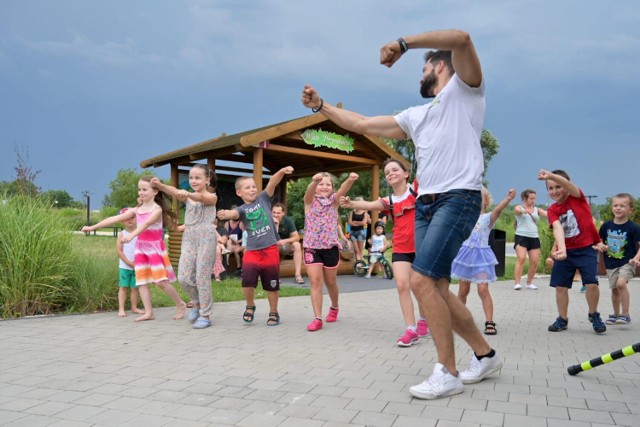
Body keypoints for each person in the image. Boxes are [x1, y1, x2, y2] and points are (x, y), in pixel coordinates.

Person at [302, 29, 502, 399]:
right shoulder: (416, 116)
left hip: (458, 198)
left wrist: (403, 44)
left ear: (438, 66)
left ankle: (448, 372)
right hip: (426, 204)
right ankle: (485, 355)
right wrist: (321, 107)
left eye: (423, 68)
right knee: (437, 287)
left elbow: (462, 38)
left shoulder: (466, 90)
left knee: (420, 281)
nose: (419, 75)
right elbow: (361, 124)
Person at [340, 158, 428, 347]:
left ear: (406, 174)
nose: (391, 174)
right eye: (387, 172)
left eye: (395, 170)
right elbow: (370, 205)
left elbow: (426, 162)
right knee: (402, 285)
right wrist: (350, 203)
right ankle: (410, 329)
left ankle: (424, 319)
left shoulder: (416, 190)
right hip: (401, 248)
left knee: (419, 286)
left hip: (422, 246)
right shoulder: (389, 201)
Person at [82, 175, 186, 322]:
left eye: (145, 189)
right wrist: (92, 227)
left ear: (155, 192)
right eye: (139, 189)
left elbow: (145, 224)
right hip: (141, 249)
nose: (141, 193)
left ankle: (180, 304)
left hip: (154, 248)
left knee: (161, 282)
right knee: (142, 281)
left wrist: (132, 236)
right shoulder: (137, 210)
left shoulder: (156, 210)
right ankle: (149, 312)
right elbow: (113, 219)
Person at [217, 166, 294, 326]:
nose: (252, 189)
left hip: (270, 249)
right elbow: (234, 215)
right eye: (248, 187)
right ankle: (250, 306)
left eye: (253, 186)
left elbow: (272, 182)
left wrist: (281, 171)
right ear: (239, 193)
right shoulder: (242, 209)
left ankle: (274, 312)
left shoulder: (263, 198)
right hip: (252, 252)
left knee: (272, 285)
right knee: (247, 281)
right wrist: (226, 213)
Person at [538, 169, 606, 334]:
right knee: (560, 287)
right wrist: (561, 248)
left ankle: (593, 314)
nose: (554, 191)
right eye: (550, 188)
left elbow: (568, 185)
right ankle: (562, 319)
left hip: (585, 250)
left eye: (558, 186)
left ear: (566, 186)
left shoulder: (577, 197)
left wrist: (551, 176)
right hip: (566, 252)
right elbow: (557, 227)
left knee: (591, 283)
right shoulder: (553, 210)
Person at [151, 165, 218, 329]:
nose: (193, 181)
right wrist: (160, 186)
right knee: (184, 276)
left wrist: (187, 193)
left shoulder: (212, 196)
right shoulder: (187, 196)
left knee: (202, 277)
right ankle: (196, 303)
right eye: (191, 178)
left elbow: (202, 199)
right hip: (189, 236)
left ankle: (205, 315)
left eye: (198, 178)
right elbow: (174, 191)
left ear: (207, 179)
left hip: (206, 237)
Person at [453, 188, 516, 335]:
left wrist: (508, 198)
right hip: (466, 258)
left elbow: (498, 210)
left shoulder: (488, 218)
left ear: (485, 201)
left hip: (481, 259)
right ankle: (458, 319)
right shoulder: (464, 217)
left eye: (479, 198)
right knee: (463, 291)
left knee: (483, 290)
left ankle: (489, 321)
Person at [303, 172, 359, 332]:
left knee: (331, 282)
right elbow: (308, 192)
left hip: (330, 248)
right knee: (315, 281)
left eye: (328, 184)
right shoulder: (309, 201)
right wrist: (314, 181)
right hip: (312, 247)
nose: (324, 187)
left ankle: (334, 307)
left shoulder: (334, 203)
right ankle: (317, 318)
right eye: (321, 184)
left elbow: (342, 190)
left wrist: (350, 180)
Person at [597, 193, 640, 325]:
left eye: (622, 206)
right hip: (611, 262)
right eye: (616, 205)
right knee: (615, 289)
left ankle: (625, 314)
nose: (618, 208)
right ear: (612, 208)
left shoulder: (633, 228)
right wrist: (600, 246)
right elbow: (598, 241)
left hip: (628, 261)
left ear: (630, 210)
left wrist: (636, 259)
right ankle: (615, 314)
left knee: (621, 284)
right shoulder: (606, 226)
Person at [513, 189, 548, 290]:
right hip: (521, 236)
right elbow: (517, 211)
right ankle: (517, 283)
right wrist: (524, 211)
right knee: (521, 258)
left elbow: (548, 213)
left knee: (534, 261)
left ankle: (529, 283)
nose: (533, 200)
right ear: (524, 198)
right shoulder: (519, 207)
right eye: (531, 198)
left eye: (534, 198)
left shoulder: (537, 209)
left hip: (534, 237)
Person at [115, 207, 143, 317]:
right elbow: (119, 250)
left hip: (138, 265)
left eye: (132, 217)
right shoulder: (122, 234)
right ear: (122, 220)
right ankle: (121, 309)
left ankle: (134, 307)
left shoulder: (139, 232)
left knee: (135, 288)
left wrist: (138, 261)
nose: (130, 220)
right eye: (126, 218)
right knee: (123, 287)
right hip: (125, 266)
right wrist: (128, 262)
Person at [271, 202, 304, 284]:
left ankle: (298, 275)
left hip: (285, 245)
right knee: (272, 247)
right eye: (274, 212)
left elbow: (296, 237)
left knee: (297, 245)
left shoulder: (288, 221)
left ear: (283, 213)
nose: (275, 215)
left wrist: (284, 241)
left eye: (278, 213)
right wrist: (276, 225)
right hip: (271, 247)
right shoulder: (267, 221)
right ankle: (274, 276)